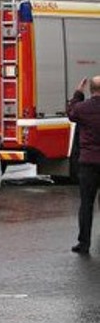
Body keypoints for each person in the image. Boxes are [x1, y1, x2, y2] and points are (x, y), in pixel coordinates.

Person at [66, 75, 100, 254]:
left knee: (86, 204)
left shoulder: (83, 108)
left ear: (91, 90)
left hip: (88, 162)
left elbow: (70, 112)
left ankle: (84, 243)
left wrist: (78, 92)